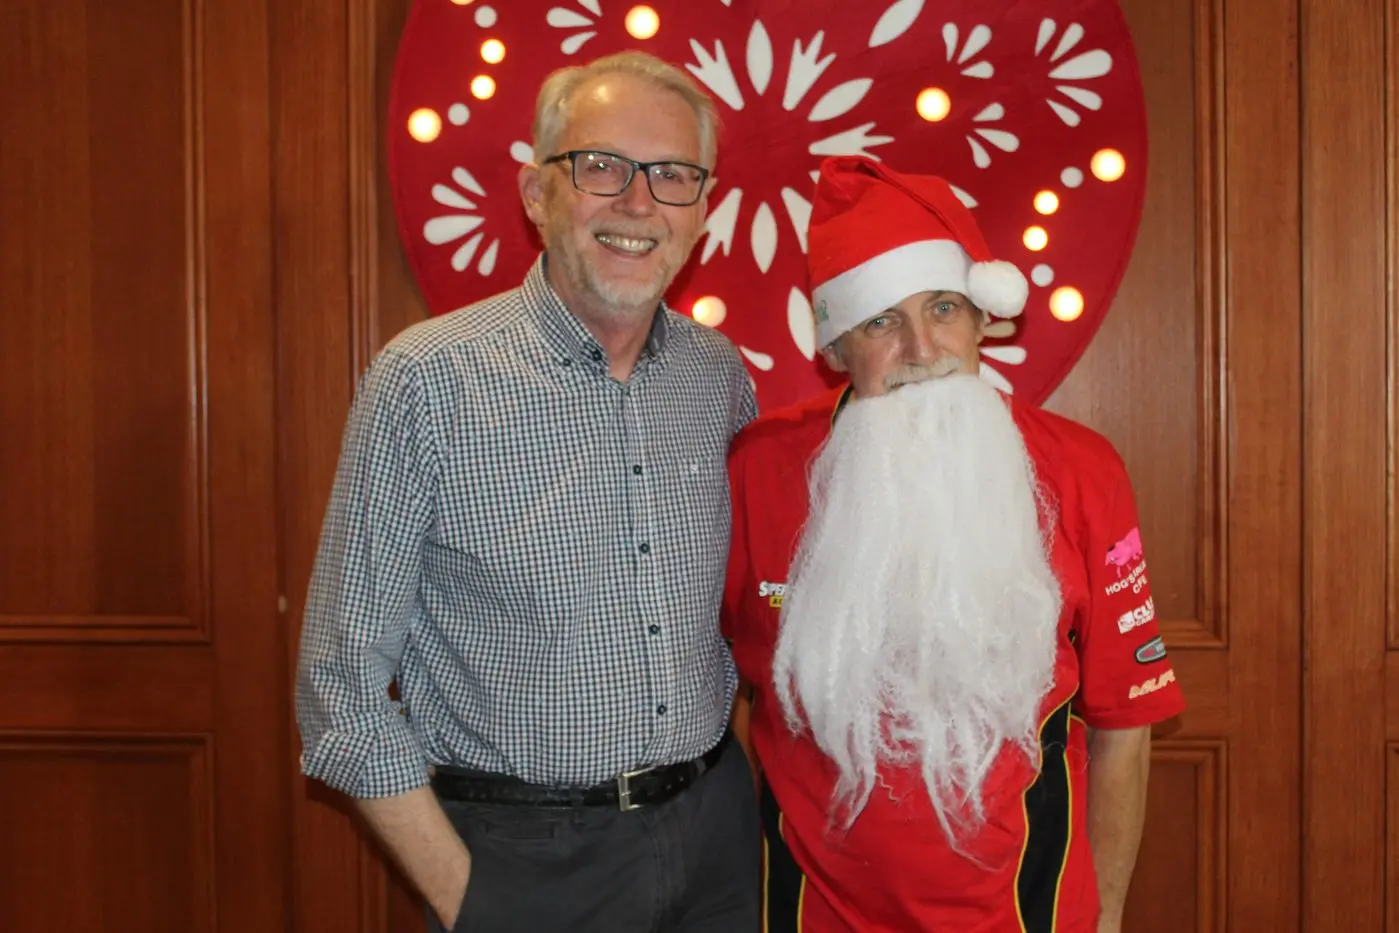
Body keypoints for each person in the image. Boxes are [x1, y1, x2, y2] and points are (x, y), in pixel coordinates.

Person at [296, 51, 761, 933]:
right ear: (536, 193)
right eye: (600, 167)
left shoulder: (718, 378)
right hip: (523, 858)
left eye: (672, 176)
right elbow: (341, 689)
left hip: (717, 839)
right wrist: (472, 901)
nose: (636, 204)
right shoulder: (426, 381)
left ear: (702, 214)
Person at [723, 155, 1185, 933]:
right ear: (834, 349)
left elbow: (1123, 722)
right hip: (810, 912)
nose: (920, 347)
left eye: (942, 307)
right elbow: (725, 699)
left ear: (980, 318)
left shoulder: (1080, 469)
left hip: (1025, 911)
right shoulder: (759, 470)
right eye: (879, 322)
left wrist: (1104, 917)